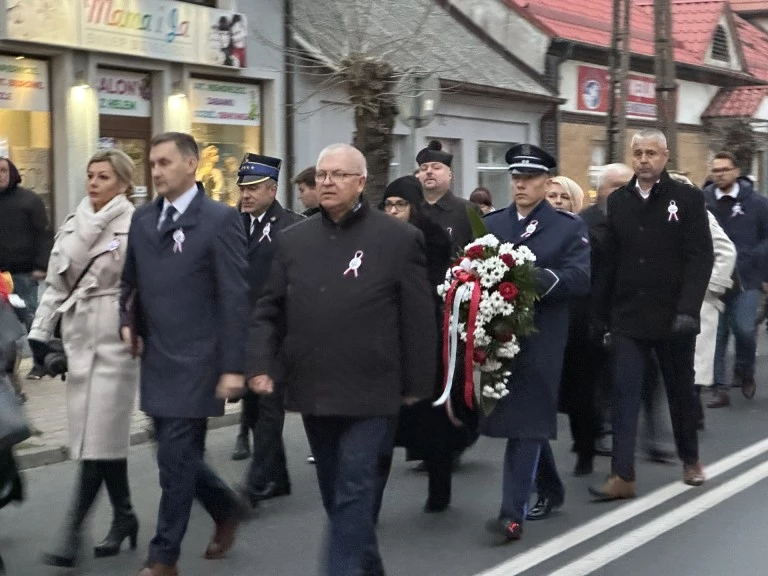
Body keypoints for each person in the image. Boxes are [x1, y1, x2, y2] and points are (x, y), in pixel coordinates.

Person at [247, 144, 436, 576]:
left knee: (354, 488)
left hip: (373, 389)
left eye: (338, 175)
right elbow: (268, 310)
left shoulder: (397, 239)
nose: (327, 182)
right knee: (336, 494)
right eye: (322, 175)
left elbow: (418, 318)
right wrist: (260, 365)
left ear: (360, 183)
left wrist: (416, 384)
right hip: (314, 386)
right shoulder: (293, 241)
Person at [120, 132, 249, 576]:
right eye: (151, 164)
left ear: (191, 164)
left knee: (174, 460)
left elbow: (235, 295)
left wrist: (234, 366)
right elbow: (129, 282)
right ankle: (226, 507)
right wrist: (127, 321)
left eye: (164, 162)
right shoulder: (142, 220)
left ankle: (163, 557)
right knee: (173, 453)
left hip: (199, 357)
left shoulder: (219, 220)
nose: (155, 171)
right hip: (158, 355)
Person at [24, 150, 139, 567]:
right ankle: (125, 515)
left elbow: (145, 284)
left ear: (123, 183)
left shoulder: (134, 223)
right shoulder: (73, 222)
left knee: (99, 433)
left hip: (116, 336)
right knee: (97, 435)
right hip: (75, 336)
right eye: (90, 175)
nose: (93, 182)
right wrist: (40, 337)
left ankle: (72, 530)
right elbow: (55, 285)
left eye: (104, 176)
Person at [590, 129, 713, 501]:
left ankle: (690, 458)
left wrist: (689, 309)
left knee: (679, 392)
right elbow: (609, 261)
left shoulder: (687, 197)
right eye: (638, 153)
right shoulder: (620, 201)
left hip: (674, 316)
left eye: (651, 153)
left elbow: (700, 256)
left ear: (665, 156)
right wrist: (600, 314)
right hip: (629, 315)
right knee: (626, 393)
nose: (644, 159)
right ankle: (622, 475)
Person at [482, 144, 591, 541]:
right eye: (515, 177)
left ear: (547, 182)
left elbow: (579, 278)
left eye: (529, 177)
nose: (521, 184)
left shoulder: (567, 226)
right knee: (522, 419)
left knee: (526, 420)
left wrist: (528, 278)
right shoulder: (493, 224)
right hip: (498, 336)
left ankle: (512, 514)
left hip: (543, 336)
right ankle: (550, 486)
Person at [376, 175, 470, 515]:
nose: (393, 211)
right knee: (380, 431)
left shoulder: (430, 239)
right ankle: (367, 504)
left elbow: (433, 288)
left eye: (401, 205)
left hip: (424, 341)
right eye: (388, 205)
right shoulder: (375, 238)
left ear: (414, 208)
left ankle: (439, 490)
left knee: (433, 426)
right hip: (385, 342)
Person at [232, 153, 303, 504]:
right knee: (256, 407)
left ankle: (255, 484)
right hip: (241, 331)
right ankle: (280, 479)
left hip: (277, 331)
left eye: (254, 188)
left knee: (270, 407)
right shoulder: (232, 225)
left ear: (272, 190)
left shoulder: (293, 226)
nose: (246, 195)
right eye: (242, 188)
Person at [668, 172, 737, 428]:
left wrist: (710, 287)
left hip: (699, 299)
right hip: (665, 298)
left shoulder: (700, 216)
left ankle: (692, 413)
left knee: (694, 358)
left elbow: (726, 250)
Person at [703, 151, 768, 406]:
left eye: (724, 170)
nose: (719, 175)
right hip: (714, 279)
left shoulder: (757, 203)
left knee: (744, 329)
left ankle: (745, 369)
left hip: (747, 278)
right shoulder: (703, 201)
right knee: (715, 335)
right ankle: (719, 388)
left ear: (736, 171)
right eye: (715, 170)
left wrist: (755, 258)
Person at [0, 157, 53, 384]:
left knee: (31, 320)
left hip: (23, 274)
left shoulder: (29, 200)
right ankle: (8, 369)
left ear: (11, 173)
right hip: (0, 277)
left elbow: (44, 234)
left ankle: (41, 362)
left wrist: (42, 266)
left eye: (2, 170)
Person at [417, 140, 479, 253]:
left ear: (450, 175)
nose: (429, 172)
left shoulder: (468, 211)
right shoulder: (412, 209)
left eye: (436, 167)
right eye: (424, 168)